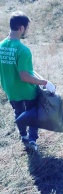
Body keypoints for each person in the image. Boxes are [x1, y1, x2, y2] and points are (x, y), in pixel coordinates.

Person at [0, 11, 56, 151]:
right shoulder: (23, 50)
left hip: (10, 90)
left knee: (18, 112)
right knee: (33, 112)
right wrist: (44, 83)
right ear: (21, 28)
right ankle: (32, 140)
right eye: (27, 28)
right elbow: (24, 76)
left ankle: (23, 136)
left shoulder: (0, 46)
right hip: (27, 90)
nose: (27, 31)